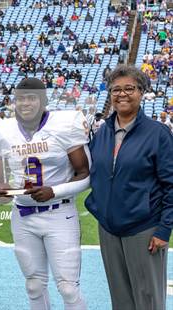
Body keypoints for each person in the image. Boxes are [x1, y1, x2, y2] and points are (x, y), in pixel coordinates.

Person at [0, 78, 89, 310]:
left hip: (59, 213)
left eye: (32, 97)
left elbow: (85, 175)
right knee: (34, 285)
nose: (26, 103)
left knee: (68, 287)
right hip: (23, 216)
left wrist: (53, 191)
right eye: (21, 98)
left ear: (44, 100)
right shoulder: (2, 130)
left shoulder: (65, 124)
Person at [85, 65, 173, 310]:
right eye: (115, 90)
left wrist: (164, 229)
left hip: (144, 229)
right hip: (109, 229)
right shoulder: (101, 133)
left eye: (129, 88)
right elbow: (95, 174)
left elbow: (171, 184)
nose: (122, 94)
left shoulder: (158, 134)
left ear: (141, 92)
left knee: (148, 300)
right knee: (121, 300)